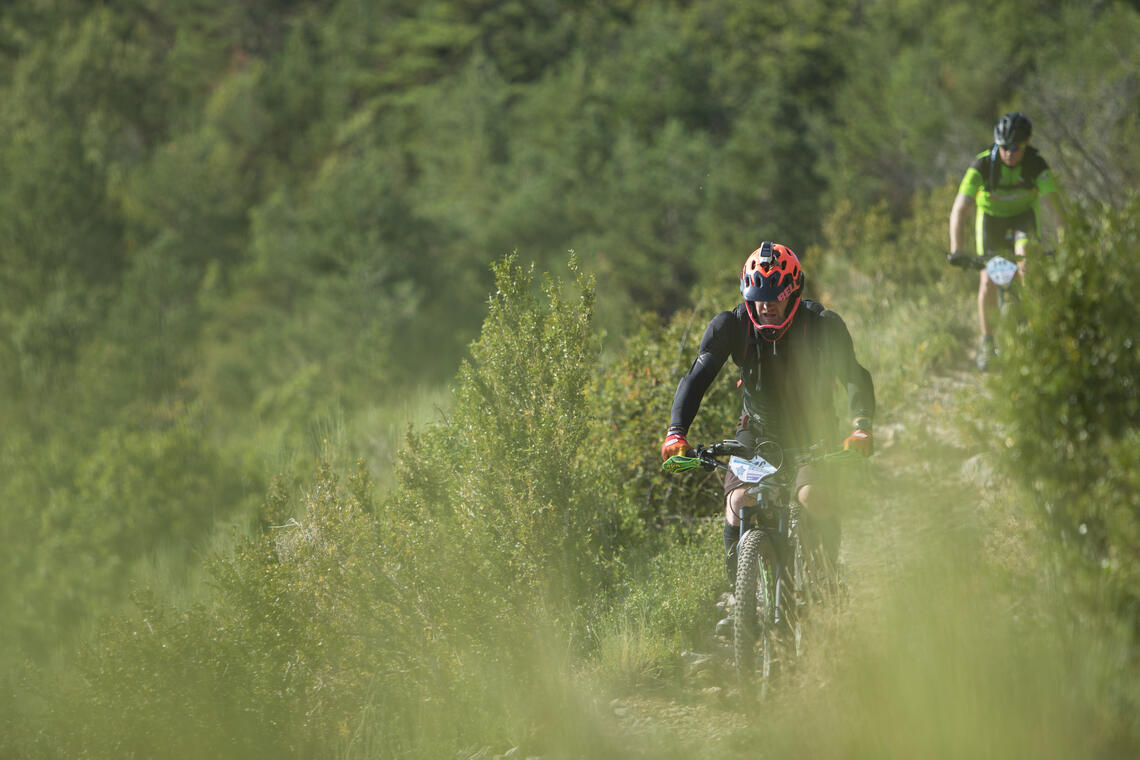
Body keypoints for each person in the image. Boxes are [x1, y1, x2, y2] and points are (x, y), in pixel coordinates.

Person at [660, 242, 876, 605]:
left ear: (793, 293)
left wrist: (861, 426)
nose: (766, 304)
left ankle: (826, 579)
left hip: (813, 431)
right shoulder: (731, 326)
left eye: (775, 295)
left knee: (810, 496)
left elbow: (853, 376)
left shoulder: (822, 326)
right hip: (757, 431)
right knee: (739, 500)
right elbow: (696, 378)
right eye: (758, 296)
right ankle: (741, 594)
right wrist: (676, 432)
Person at [948, 111, 1062, 370]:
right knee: (987, 278)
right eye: (1003, 147)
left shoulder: (1036, 165)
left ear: (1026, 145)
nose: (1009, 153)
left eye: (1015, 147)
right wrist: (957, 249)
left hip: (1023, 218)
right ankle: (988, 344)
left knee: (1028, 264)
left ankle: (1035, 337)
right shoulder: (982, 165)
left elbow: (1056, 211)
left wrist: (1067, 246)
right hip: (992, 221)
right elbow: (960, 209)